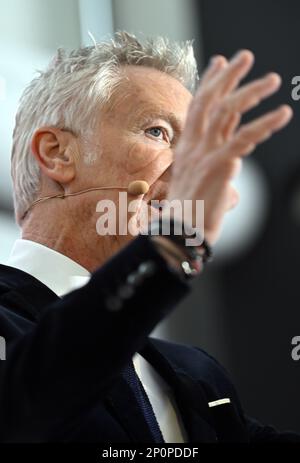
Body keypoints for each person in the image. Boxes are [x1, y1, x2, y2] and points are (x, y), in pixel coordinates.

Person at [0, 32, 297, 442]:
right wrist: (178, 240)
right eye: (157, 132)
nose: (191, 168)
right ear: (57, 153)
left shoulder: (198, 375)